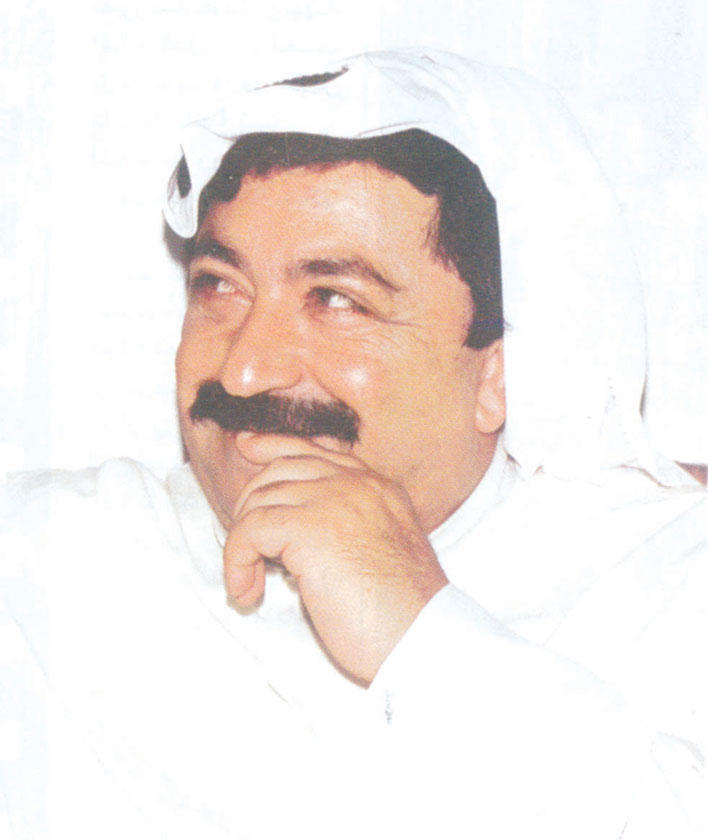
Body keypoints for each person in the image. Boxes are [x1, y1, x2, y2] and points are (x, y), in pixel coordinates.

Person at [1, 49, 706, 839]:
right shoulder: (61, 558)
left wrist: (423, 636)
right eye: (219, 286)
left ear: (503, 373)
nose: (244, 368)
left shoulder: (673, 582)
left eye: (335, 299)